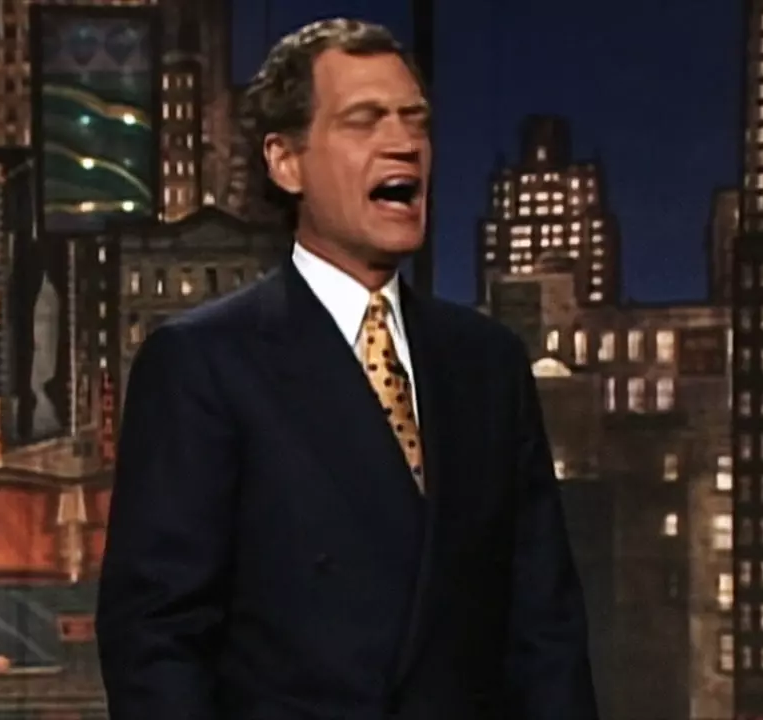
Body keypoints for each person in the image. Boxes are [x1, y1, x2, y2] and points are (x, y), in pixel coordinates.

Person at [95, 18, 599, 720]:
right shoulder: (202, 364)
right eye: (365, 120)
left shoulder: (487, 363)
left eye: (414, 120)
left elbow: (545, 630)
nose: (403, 143)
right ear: (286, 161)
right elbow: (156, 641)